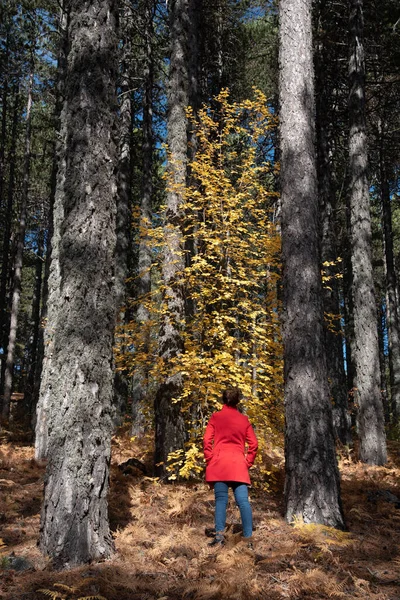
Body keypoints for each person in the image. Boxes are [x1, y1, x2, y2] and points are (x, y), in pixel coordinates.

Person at [203, 387, 258, 547]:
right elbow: (254, 444)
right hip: (238, 466)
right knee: (243, 502)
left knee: (221, 500)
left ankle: (219, 537)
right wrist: (247, 462)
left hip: (219, 464)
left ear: (223, 399)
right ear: (237, 401)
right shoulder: (244, 420)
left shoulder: (216, 417)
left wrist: (209, 458)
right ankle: (248, 539)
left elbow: (207, 441)